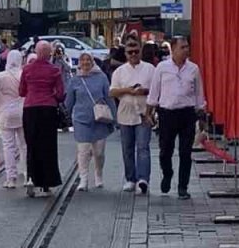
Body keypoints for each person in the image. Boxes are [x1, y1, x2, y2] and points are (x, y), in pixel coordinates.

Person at [146, 37, 205, 199]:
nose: (186, 50)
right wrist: (148, 112)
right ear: (173, 49)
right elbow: (154, 92)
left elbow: (199, 93)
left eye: (187, 47)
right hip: (167, 113)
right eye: (182, 47)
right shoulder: (162, 68)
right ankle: (167, 173)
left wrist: (201, 113)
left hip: (187, 113)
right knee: (165, 150)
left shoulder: (193, 68)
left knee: (185, 152)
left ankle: (183, 187)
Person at [20, 40, 65, 197]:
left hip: (30, 108)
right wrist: (52, 95)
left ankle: (31, 178)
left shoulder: (27, 69)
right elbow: (60, 94)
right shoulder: (54, 70)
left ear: (36, 52)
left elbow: (21, 91)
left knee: (31, 144)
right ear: (49, 53)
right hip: (48, 109)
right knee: (48, 146)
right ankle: (47, 183)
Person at [65, 52, 116, 191]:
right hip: (81, 119)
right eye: (82, 60)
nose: (85, 62)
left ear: (93, 62)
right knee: (83, 151)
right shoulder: (75, 80)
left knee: (99, 153)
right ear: (79, 63)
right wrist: (65, 116)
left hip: (100, 119)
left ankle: (98, 174)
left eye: (88, 60)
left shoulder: (101, 77)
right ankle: (84, 179)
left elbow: (109, 97)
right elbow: (69, 101)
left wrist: (115, 117)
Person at [111, 38, 155, 194]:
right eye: (130, 52)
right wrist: (128, 90)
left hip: (144, 113)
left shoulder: (150, 69)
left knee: (143, 147)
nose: (134, 54)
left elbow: (157, 90)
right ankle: (130, 178)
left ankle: (143, 179)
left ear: (140, 50)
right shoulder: (119, 71)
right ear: (125, 53)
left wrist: (144, 91)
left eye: (136, 51)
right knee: (127, 148)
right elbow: (112, 92)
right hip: (125, 113)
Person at [0, 50, 27, 188]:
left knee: (8, 146)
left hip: (5, 113)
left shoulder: (0, 76)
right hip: (22, 112)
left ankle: (11, 178)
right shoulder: (24, 75)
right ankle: (27, 174)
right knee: (24, 145)